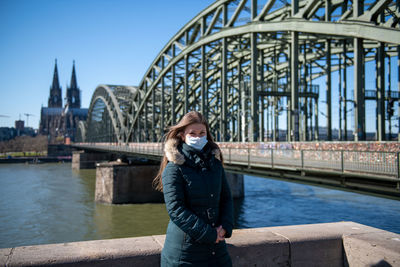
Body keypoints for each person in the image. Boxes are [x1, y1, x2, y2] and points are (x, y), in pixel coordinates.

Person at [153, 111, 234, 267]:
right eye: (192, 133)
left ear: (207, 134)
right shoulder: (174, 168)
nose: (198, 137)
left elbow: (226, 198)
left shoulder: (215, 164)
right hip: (185, 254)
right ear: (182, 135)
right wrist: (210, 234)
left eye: (202, 133)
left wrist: (225, 227)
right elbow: (176, 209)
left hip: (217, 251)